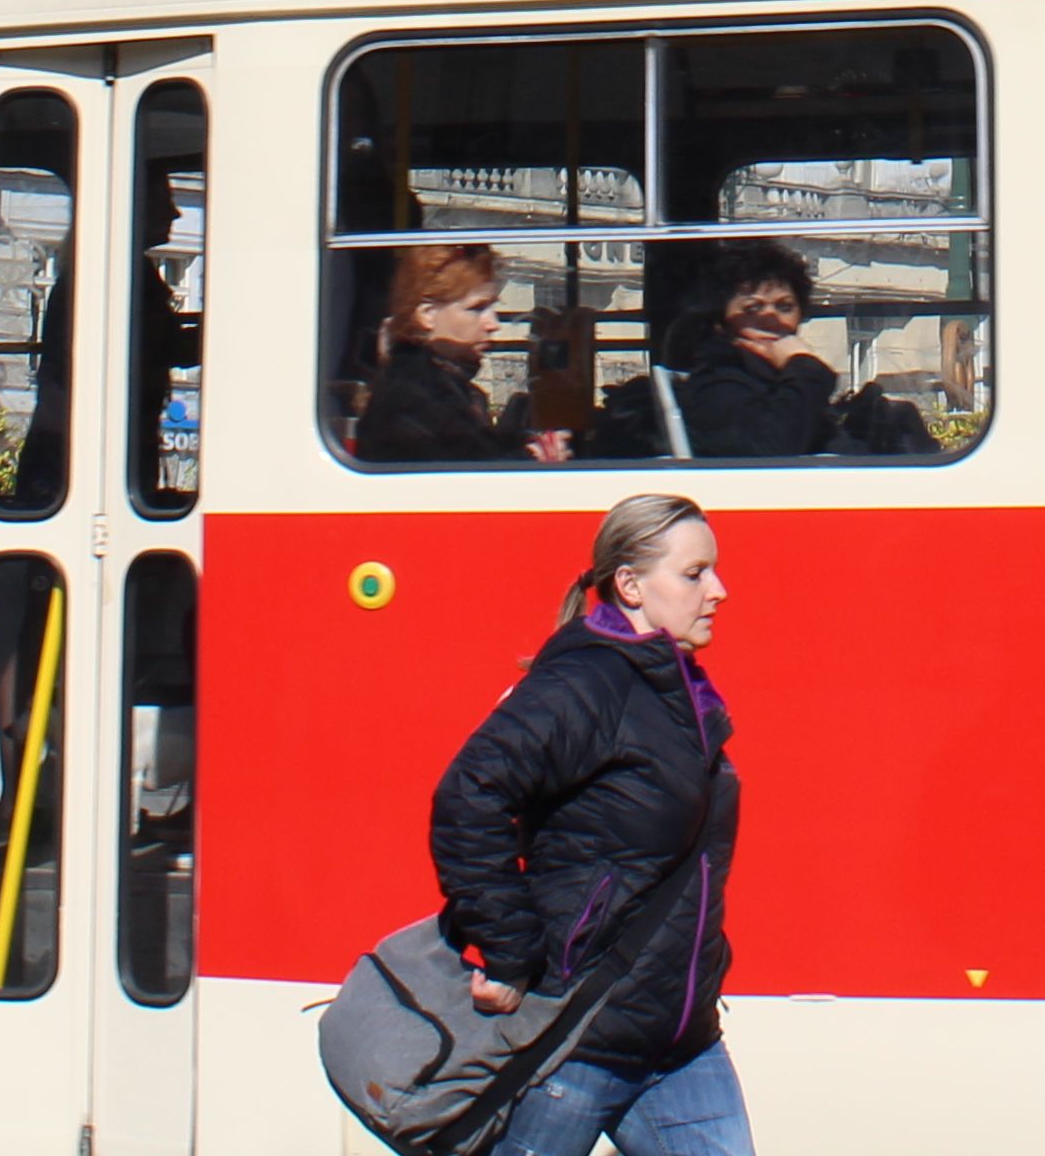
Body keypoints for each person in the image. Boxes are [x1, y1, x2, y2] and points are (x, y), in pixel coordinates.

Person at [428, 497, 750, 1156]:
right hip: (579, 1040)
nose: (718, 590)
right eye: (694, 574)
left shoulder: (674, 685)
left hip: (678, 1042)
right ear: (630, 585)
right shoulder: (586, 682)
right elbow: (469, 796)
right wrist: (512, 952)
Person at [585, 247, 931, 463]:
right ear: (722, 323)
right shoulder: (718, 385)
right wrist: (805, 366)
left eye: (785, 307)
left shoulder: (776, 377)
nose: (771, 319)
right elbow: (773, 448)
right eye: (752, 308)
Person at [353, 244, 574, 465]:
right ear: (427, 315)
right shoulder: (413, 396)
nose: (493, 324)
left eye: (492, 308)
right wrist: (534, 459)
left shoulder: (436, 384)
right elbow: (463, 481)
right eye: (477, 309)